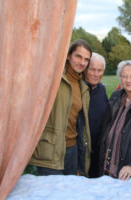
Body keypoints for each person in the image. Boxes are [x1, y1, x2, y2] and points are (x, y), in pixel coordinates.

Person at [29, 39, 92, 176]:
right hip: (50, 150)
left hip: (72, 150)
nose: (82, 62)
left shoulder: (83, 87)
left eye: (86, 59)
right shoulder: (53, 78)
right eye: (78, 56)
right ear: (68, 55)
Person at [82, 52, 108, 178]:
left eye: (100, 70)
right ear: (86, 68)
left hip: (97, 152)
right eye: (92, 69)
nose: (96, 74)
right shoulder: (78, 88)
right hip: (80, 153)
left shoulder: (101, 89)